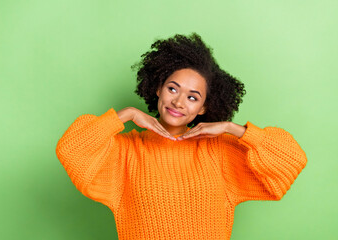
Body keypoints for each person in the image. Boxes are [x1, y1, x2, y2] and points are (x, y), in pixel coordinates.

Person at [55, 32, 308, 240]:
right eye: (172, 88)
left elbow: (291, 160)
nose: (178, 102)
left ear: (204, 108)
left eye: (192, 97)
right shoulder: (125, 152)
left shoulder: (218, 151)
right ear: (158, 89)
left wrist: (233, 128)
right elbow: (70, 149)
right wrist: (127, 114)